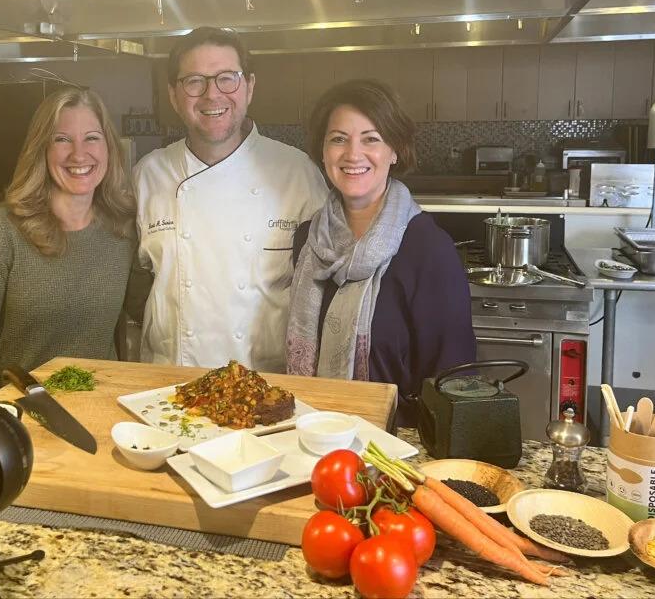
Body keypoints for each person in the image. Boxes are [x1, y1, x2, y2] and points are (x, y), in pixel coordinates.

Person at [134, 27, 328, 373]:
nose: (212, 94)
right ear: (174, 96)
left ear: (249, 87)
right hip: (169, 382)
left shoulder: (296, 173)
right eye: (194, 81)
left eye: (227, 78)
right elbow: (131, 283)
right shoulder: (147, 175)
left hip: (267, 384)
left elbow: (323, 287)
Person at [286, 79, 476, 426]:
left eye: (371, 139)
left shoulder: (428, 249)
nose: (353, 154)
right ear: (322, 152)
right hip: (312, 436)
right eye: (338, 139)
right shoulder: (307, 241)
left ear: (395, 150)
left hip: (397, 450)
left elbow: (453, 382)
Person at [0, 86, 137, 386]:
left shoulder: (123, 229)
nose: (79, 153)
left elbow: (151, 308)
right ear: (41, 149)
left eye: (92, 138)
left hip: (103, 408)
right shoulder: (0, 230)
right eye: (62, 139)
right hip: (20, 414)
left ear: (109, 148)